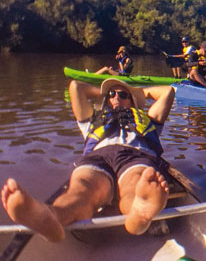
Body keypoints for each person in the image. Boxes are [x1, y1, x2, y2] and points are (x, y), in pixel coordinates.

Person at [1, 78, 175, 242]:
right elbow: (76, 86)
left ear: (132, 101)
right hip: (98, 157)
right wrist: (104, 92)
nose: (116, 98)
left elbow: (168, 91)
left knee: (135, 182)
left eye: (122, 95)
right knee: (82, 187)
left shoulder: (149, 119)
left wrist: (138, 92)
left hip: (135, 154)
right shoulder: (92, 119)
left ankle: (139, 213)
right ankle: (52, 217)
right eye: (111, 95)